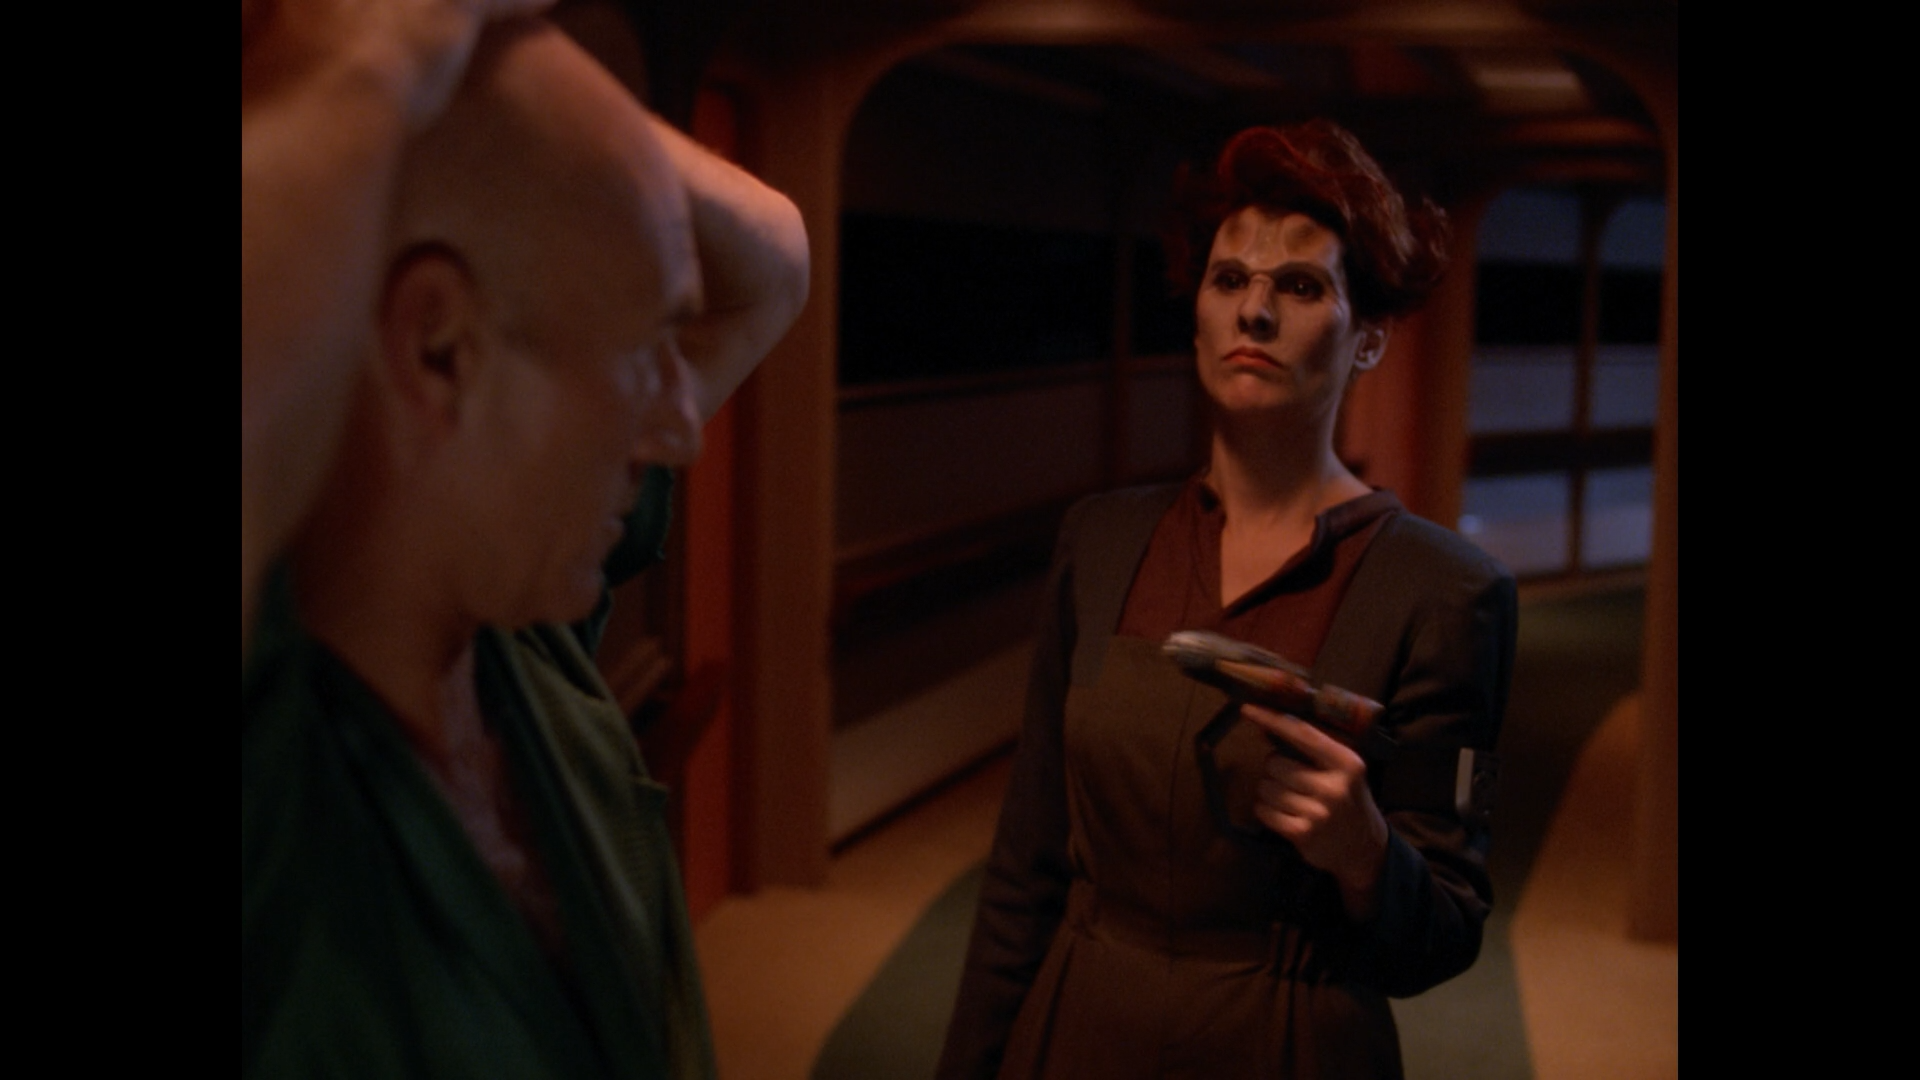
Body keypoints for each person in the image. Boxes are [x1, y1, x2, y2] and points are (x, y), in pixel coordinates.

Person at [241, 18, 808, 1078]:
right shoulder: (276, 771)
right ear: (441, 351)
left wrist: (477, 60)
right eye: (646, 345)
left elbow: (775, 257)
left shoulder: (528, 649)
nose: (682, 427)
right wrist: (376, 49)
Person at [936, 121, 1515, 1080]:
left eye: (1300, 287)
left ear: (1368, 338)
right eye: (1229, 279)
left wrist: (1366, 852)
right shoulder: (1102, 541)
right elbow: (1025, 864)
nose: (1254, 312)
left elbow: (1447, 932)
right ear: (1199, 312)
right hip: (1080, 1026)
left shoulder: (1448, 591)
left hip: (1291, 1038)